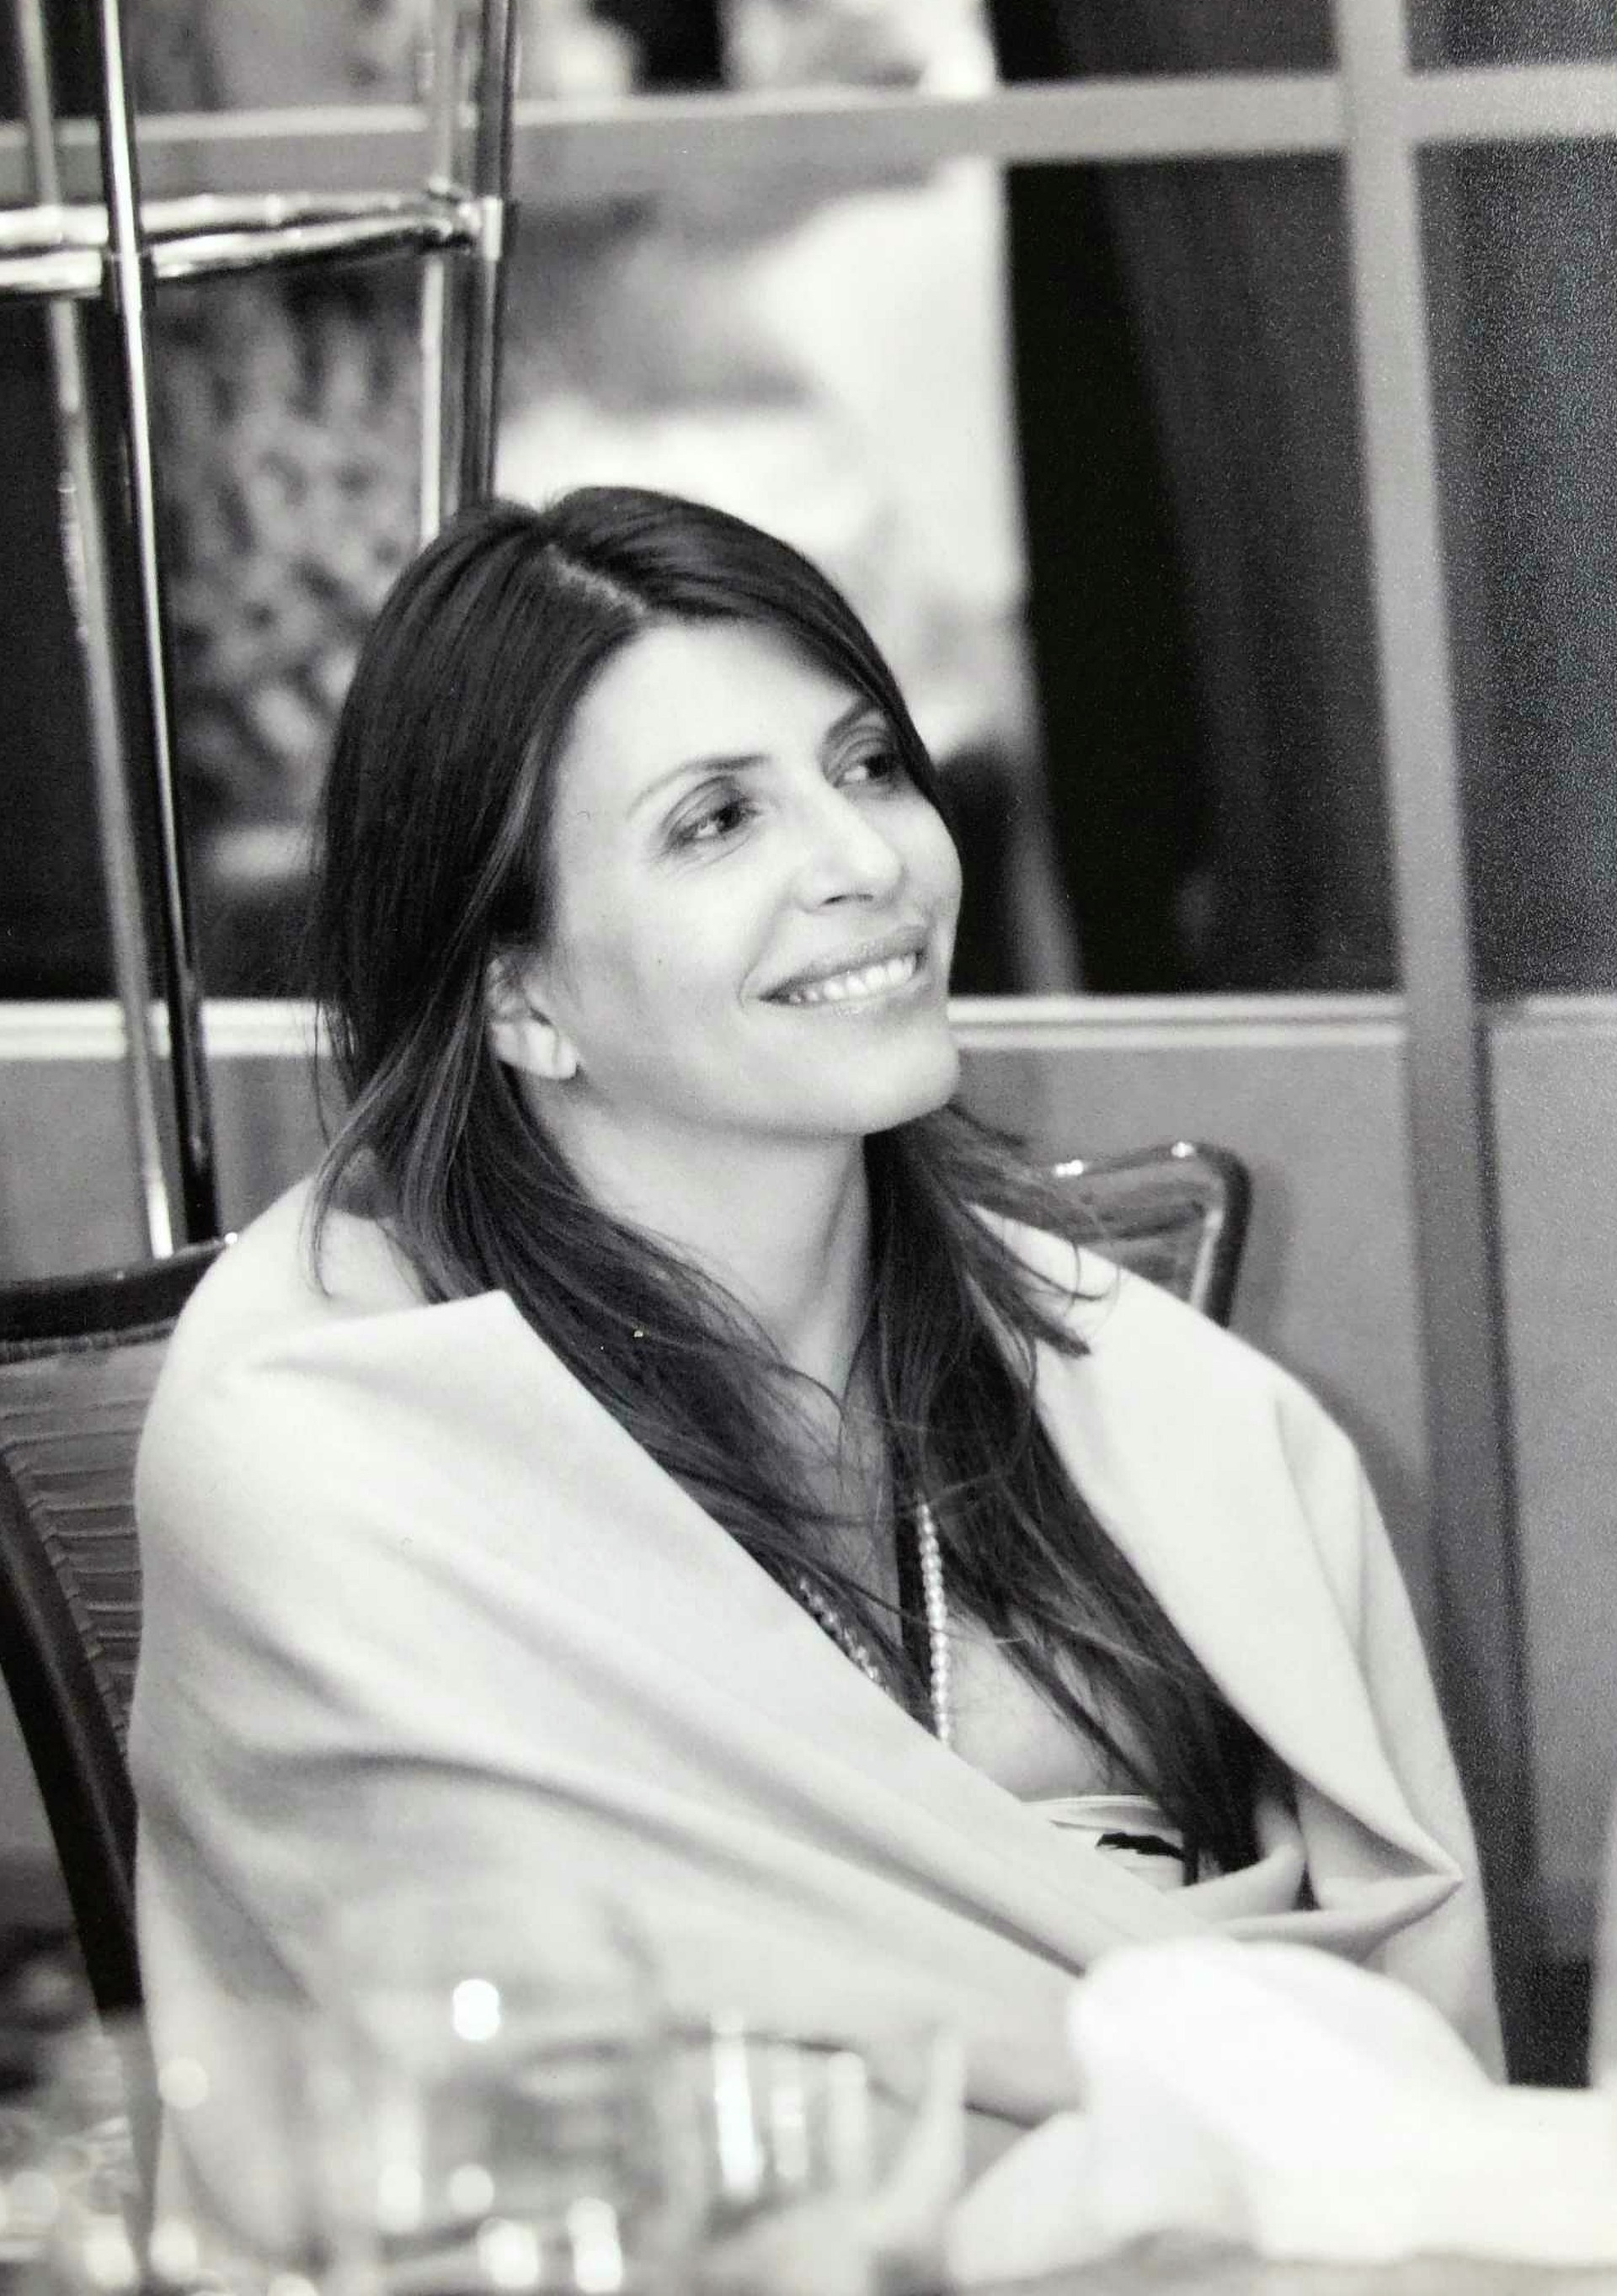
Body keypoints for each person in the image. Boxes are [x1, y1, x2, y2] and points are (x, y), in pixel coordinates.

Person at [131, 489, 1500, 2176]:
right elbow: (516, 2104)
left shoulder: (1169, 1407)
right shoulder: (332, 1443)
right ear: (518, 996)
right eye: (717, 821)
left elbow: (1412, 2068)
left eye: (866, 765)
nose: (868, 861)